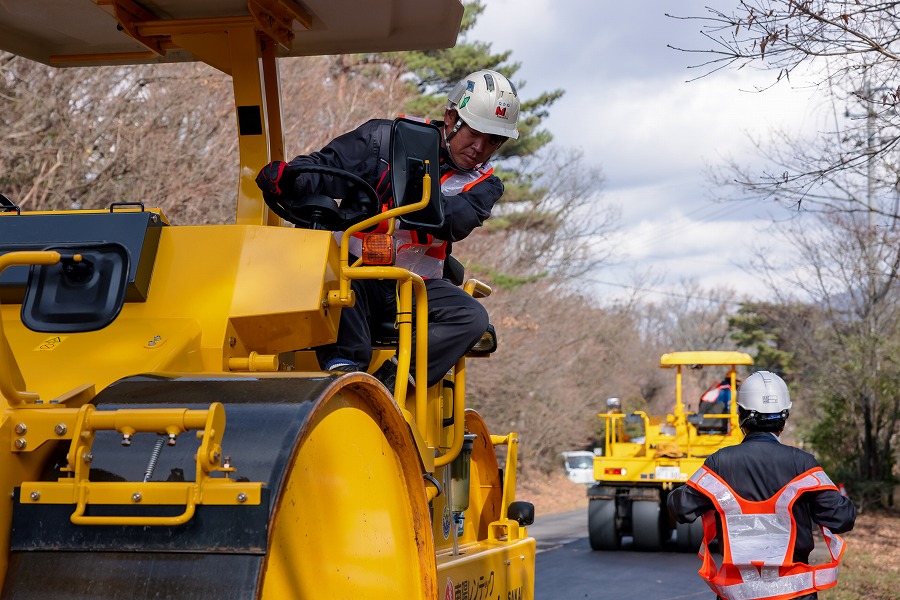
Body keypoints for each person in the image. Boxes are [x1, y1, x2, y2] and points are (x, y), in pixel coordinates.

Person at [256, 69, 520, 390]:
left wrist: (410, 194)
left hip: (416, 288)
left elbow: (457, 220)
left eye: (493, 140)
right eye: (474, 133)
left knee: (471, 318)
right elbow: (327, 169)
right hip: (354, 272)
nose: (479, 147)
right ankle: (344, 373)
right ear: (451, 117)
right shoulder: (382, 139)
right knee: (323, 271)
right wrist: (289, 179)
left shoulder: (485, 185)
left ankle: (395, 380)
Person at [668, 371, 856, 600]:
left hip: (737, 594)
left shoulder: (720, 462)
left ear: (741, 416)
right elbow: (843, 518)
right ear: (784, 418)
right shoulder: (803, 463)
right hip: (795, 594)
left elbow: (680, 509)